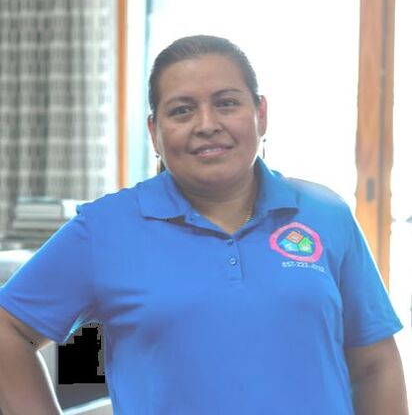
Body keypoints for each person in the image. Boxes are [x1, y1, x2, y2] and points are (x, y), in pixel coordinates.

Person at [0, 35, 408, 415]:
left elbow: (375, 363)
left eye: (227, 103)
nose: (207, 124)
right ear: (154, 131)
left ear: (260, 114)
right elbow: (9, 330)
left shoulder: (324, 213)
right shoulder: (104, 229)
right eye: (182, 110)